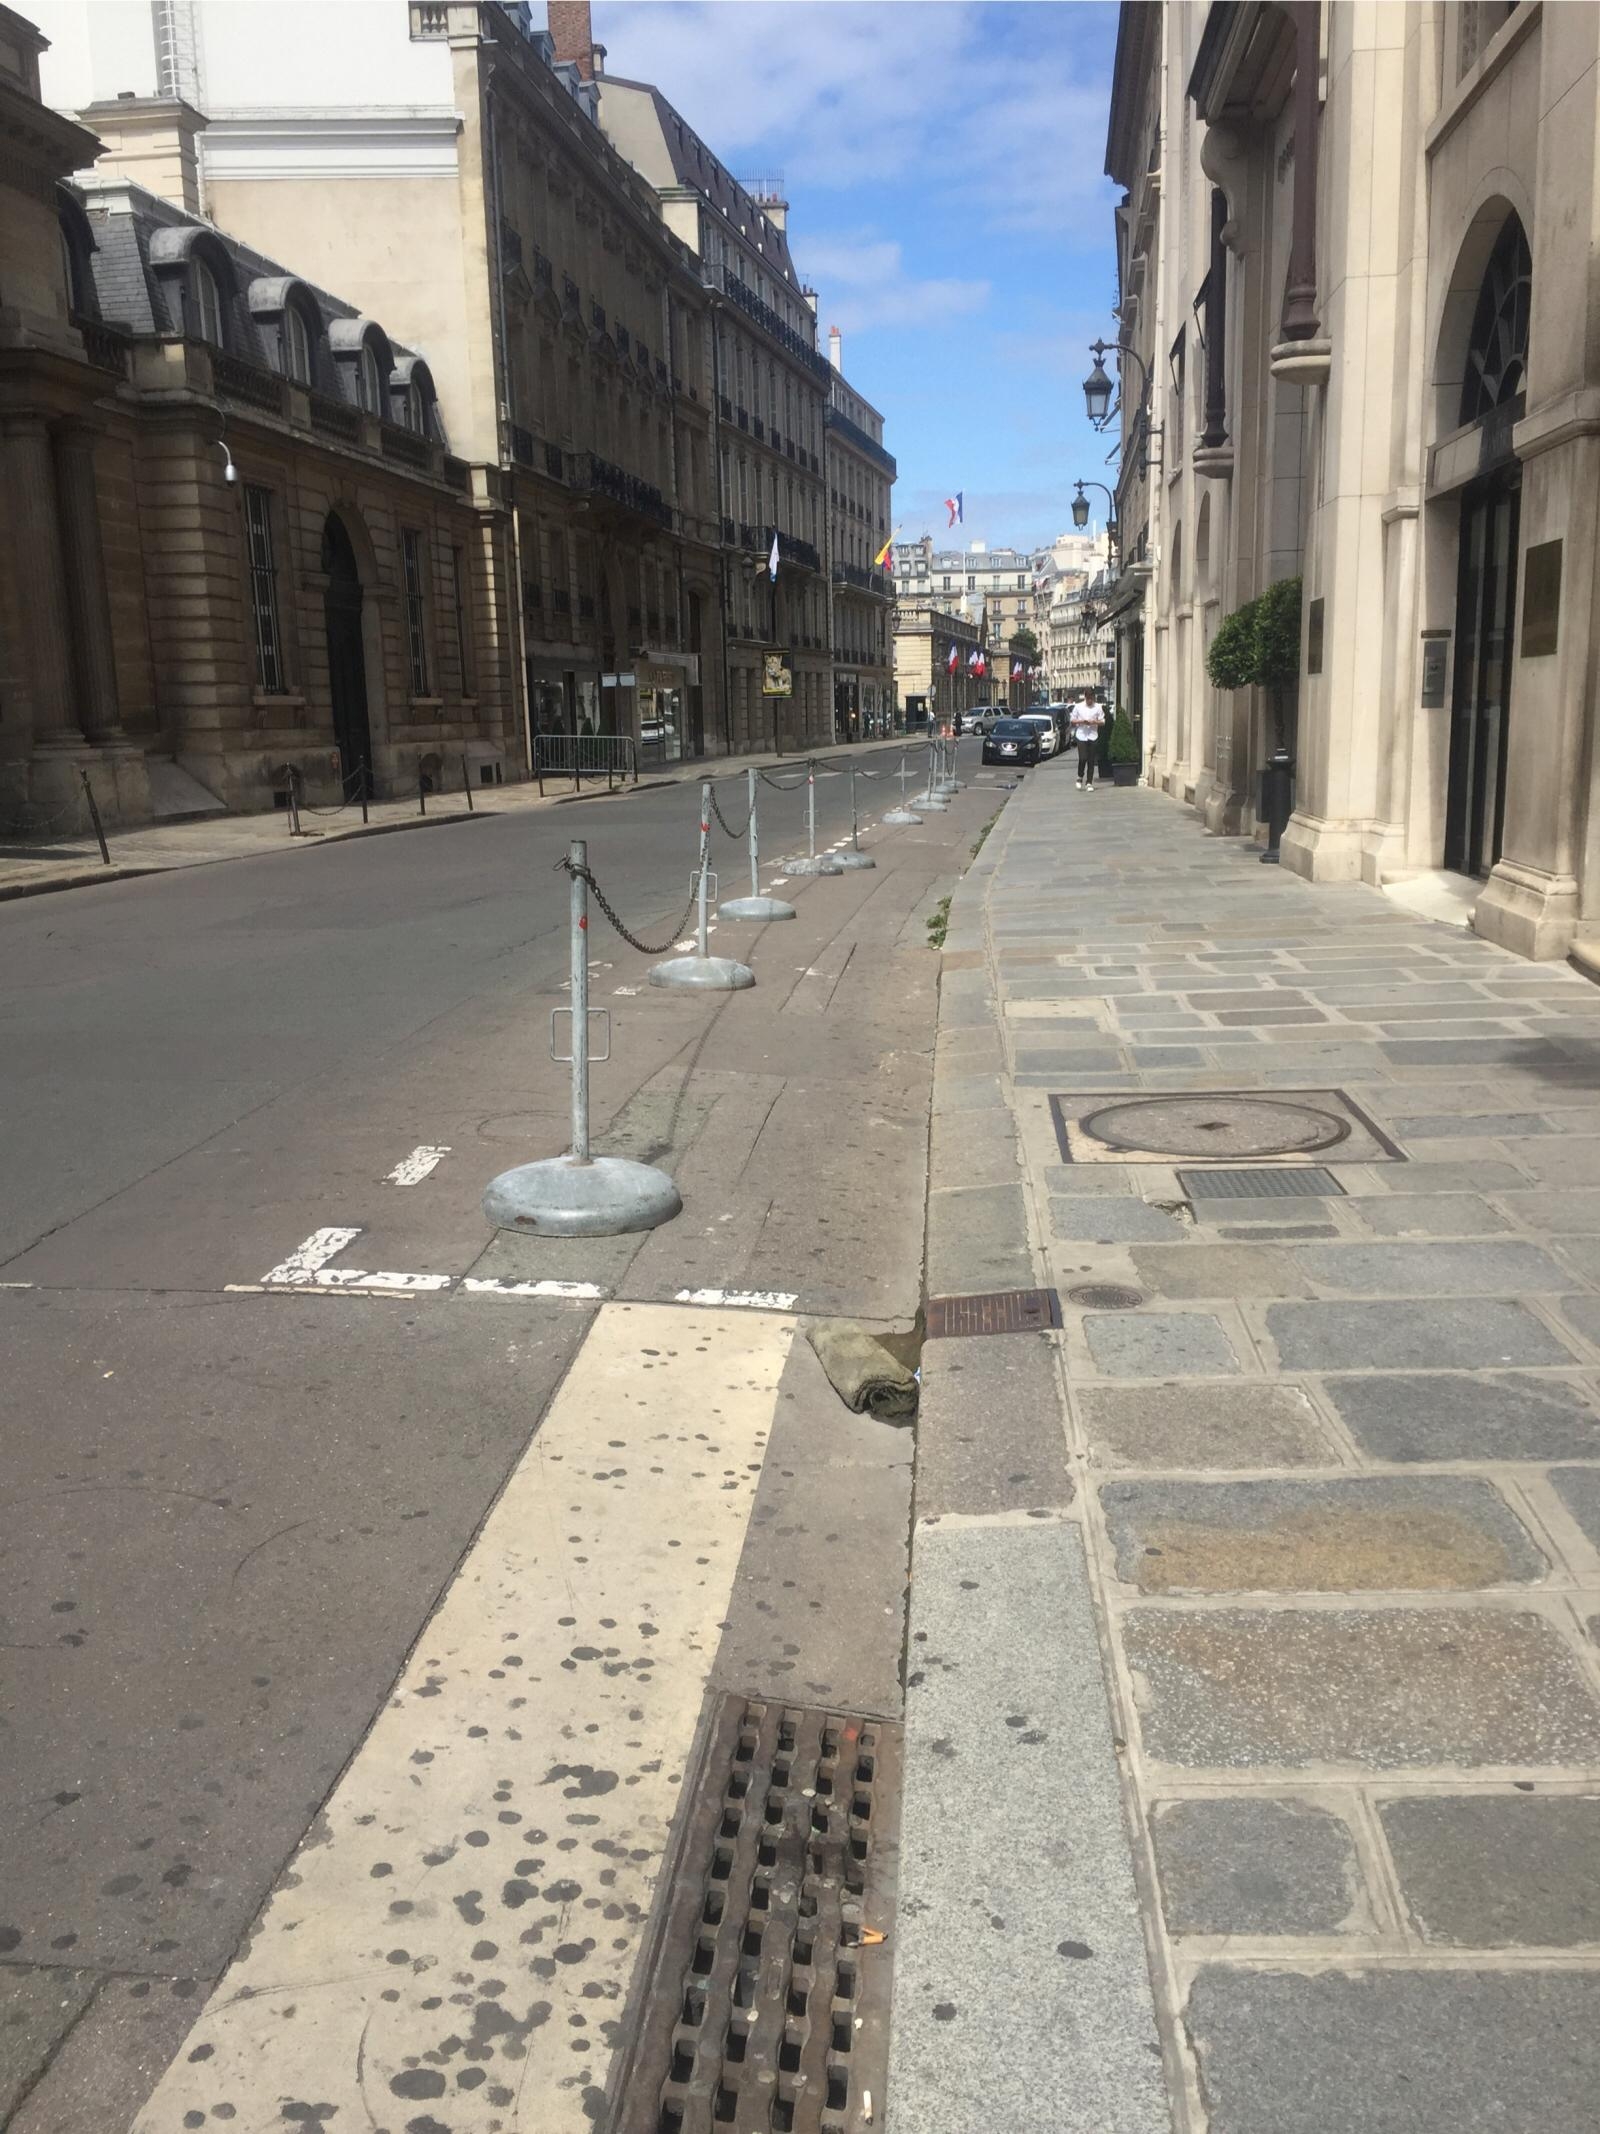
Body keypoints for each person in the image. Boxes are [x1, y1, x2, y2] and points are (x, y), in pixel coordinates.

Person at [1070, 692, 1105, 789]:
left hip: (1093, 735)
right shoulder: (1078, 706)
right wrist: (1081, 721)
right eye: (1088, 698)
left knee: (1091, 760)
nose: (1090, 701)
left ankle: (1089, 782)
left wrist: (1095, 722)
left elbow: (1102, 721)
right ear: (1085, 697)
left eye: (1091, 699)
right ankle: (1080, 776)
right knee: (1083, 758)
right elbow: (1072, 720)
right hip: (1082, 735)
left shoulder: (1098, 707)